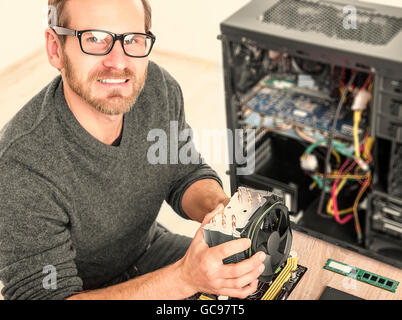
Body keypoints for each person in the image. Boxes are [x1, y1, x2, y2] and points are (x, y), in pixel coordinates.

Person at [0, 0, 265, 300]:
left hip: (149, 251)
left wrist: (219, 210)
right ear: (55, 48)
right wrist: (184, 278)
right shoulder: (20, 167)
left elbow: (183, 171)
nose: (118, 61)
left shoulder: (158, 88)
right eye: (95, 38)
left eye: (132, 40)